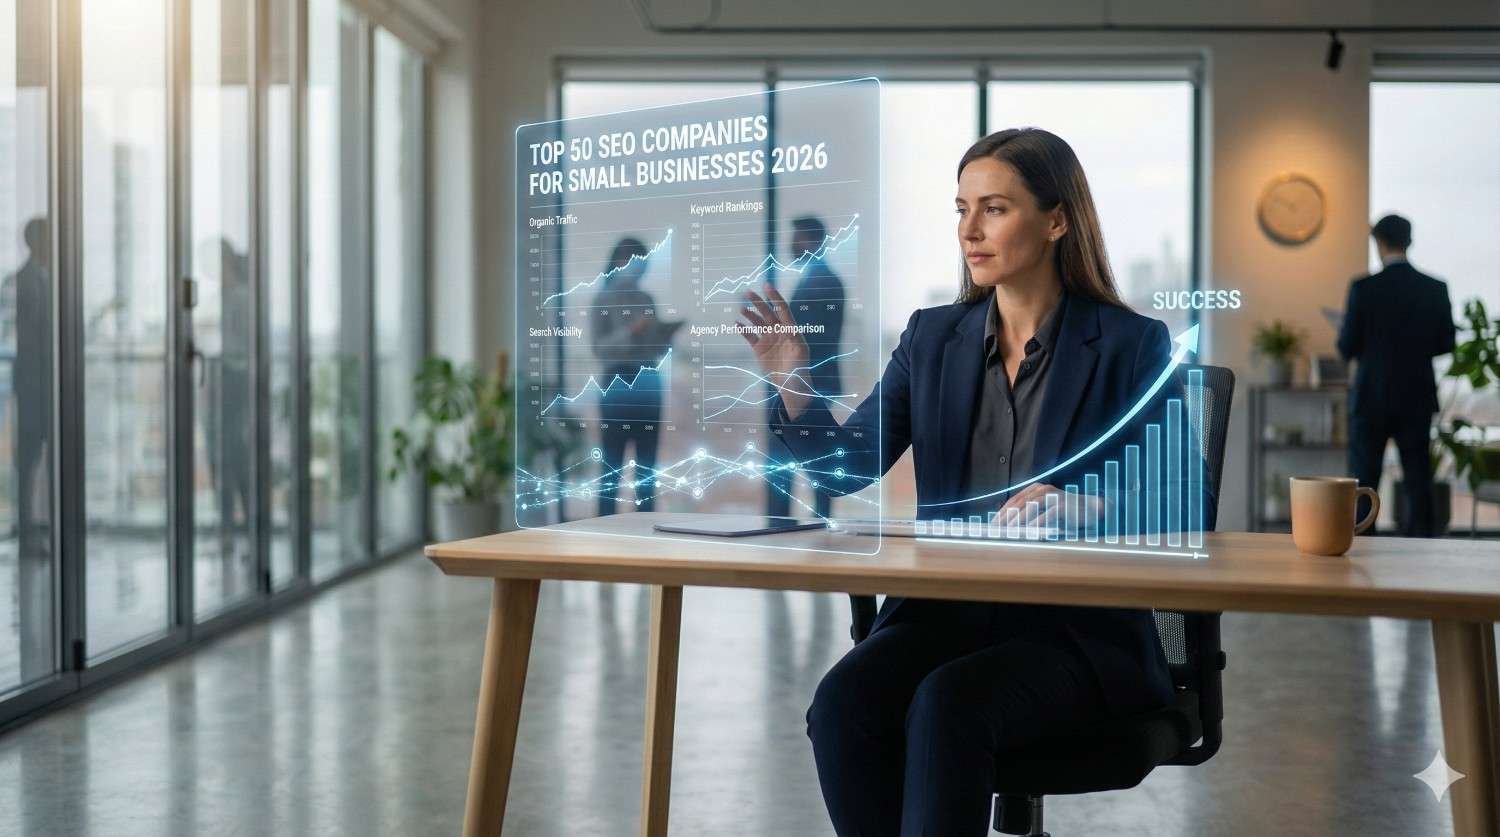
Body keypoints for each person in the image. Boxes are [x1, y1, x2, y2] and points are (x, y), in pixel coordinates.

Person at [737, 128, 1211, 836]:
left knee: (950, 703)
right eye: (962, 209)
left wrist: (1091, 504)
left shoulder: (1128, 344)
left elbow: (1187, 497)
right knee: (842, 704)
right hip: (945, 616)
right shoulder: (931, 339)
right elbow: (849, 465)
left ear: (1056, 220)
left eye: (994, 208)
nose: (969, 230)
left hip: (1074, 633)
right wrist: (793, 386)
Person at [1337, 214, 1455, 537]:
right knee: (1418, 481)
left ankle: (1362, 550)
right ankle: (1422, 552)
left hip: (1370, 398)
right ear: (1409, 241)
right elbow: (1446, 343)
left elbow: (1347, 347)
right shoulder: (1435, 288)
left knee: (1364, 481)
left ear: (1378, 243)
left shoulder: (1363, 289)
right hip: (1416, 397)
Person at [765, 216, 846, 520]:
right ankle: (809, 523)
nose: (791, 245)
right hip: (810, 380)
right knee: (808, 460)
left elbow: (811, 337)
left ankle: (788, 525)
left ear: (811, 241)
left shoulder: (821, 281)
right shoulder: (819, 278)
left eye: (797, 238)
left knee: (797, 461)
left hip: (807, 381)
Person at [590, 238, 666, 516]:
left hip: (648, 381)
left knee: (647, 468)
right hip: (617, 382)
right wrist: (631, 332)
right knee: (611, 466)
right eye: (636, 261)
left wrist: (665, 336)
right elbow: (599, 348)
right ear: (619, 261)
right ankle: (604, 528)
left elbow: (657, 347)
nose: (641, 268)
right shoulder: (602, 299)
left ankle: (646, 527)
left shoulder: (647, 299)